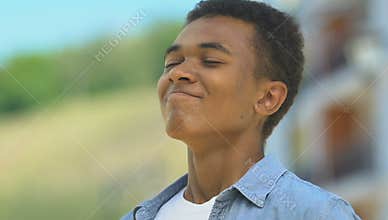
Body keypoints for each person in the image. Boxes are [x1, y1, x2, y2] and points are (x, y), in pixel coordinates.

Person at [121, 0, 361, 219]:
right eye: (172, 62)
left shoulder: (316, 213)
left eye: (211, 61)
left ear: (268, 98)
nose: (177, 73)